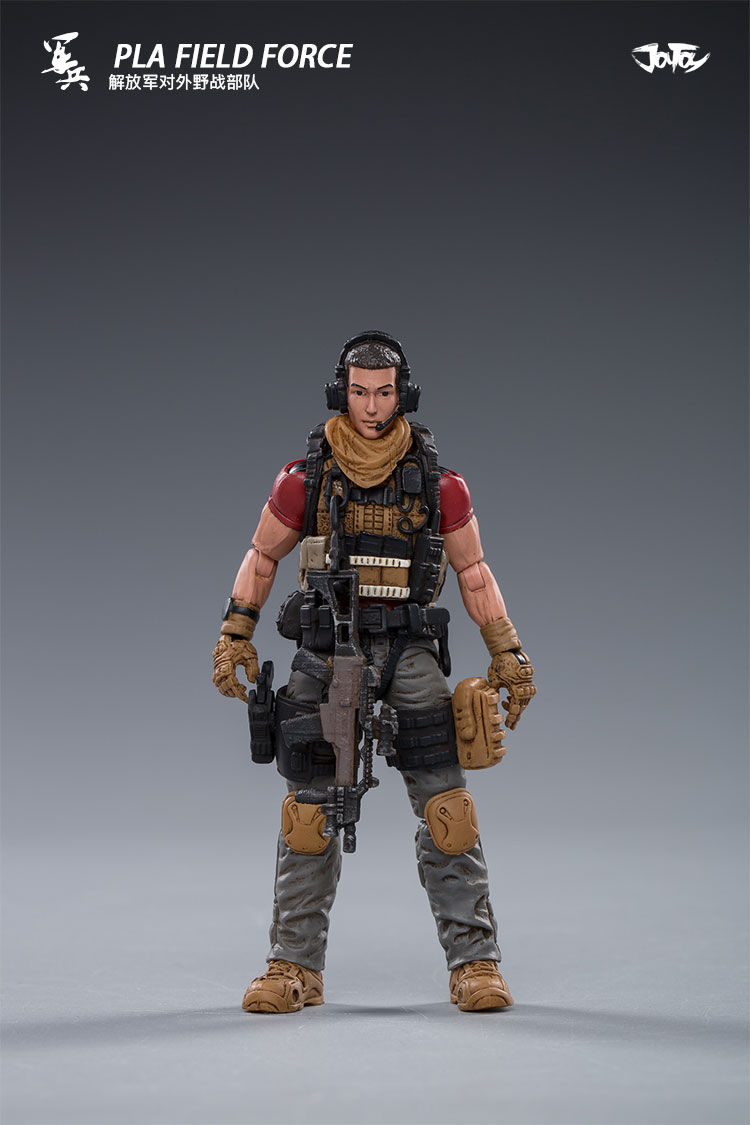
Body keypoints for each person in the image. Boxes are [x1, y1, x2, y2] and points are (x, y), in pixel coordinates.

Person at [212, 331, 536, 1014]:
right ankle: (292, 963)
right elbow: (262, 556)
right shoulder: (304, 479)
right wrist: (234, 633)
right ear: (341, 392)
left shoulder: (440, 485)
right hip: (326, 649)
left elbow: (475, 573)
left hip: (409, 649)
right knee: (309, 812)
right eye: (359, 391)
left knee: (447, 808)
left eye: (383, 392)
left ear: (402, 395)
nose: (370, 406)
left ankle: (474, 961)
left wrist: (507, 651)